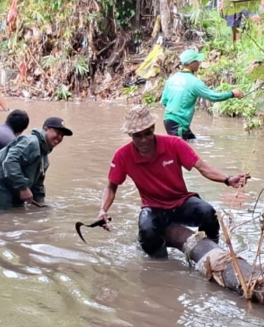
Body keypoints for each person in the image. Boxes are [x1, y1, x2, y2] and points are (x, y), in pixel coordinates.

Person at [94, 106, 249, 259]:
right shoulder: (122, 155)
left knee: (208, 213)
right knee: (147, 232)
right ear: (130, 134)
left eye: (147, 134)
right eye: (137, 136)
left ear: (153, 128)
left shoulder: (174, 144)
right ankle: (161, 264)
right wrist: (103, 210)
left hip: (181, 202)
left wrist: (227, 180)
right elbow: (111, 187)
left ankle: (213, 254)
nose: (143, 140)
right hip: (153, 207)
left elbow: (202, 167)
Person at [0, 117, 73, 209]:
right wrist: (23, 188)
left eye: (62, 135)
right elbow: (10, 162)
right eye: (57, 133)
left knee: (18, 212)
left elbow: (38, 186)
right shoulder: (30, 142)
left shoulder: (44, 158)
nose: (59, 138)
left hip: (7, 187)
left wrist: (41, 205)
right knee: (4, 220)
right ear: (46, 129)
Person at [161, 49, 244, 140]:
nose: (199, 63)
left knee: (193, 141)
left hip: (169, 120)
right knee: (181, 151)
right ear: (191, 63)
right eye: (197, 61)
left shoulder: (172, 79)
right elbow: (213, 97)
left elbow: (164, 101)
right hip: (178, 124)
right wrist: (232, 93)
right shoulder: (194, 82)